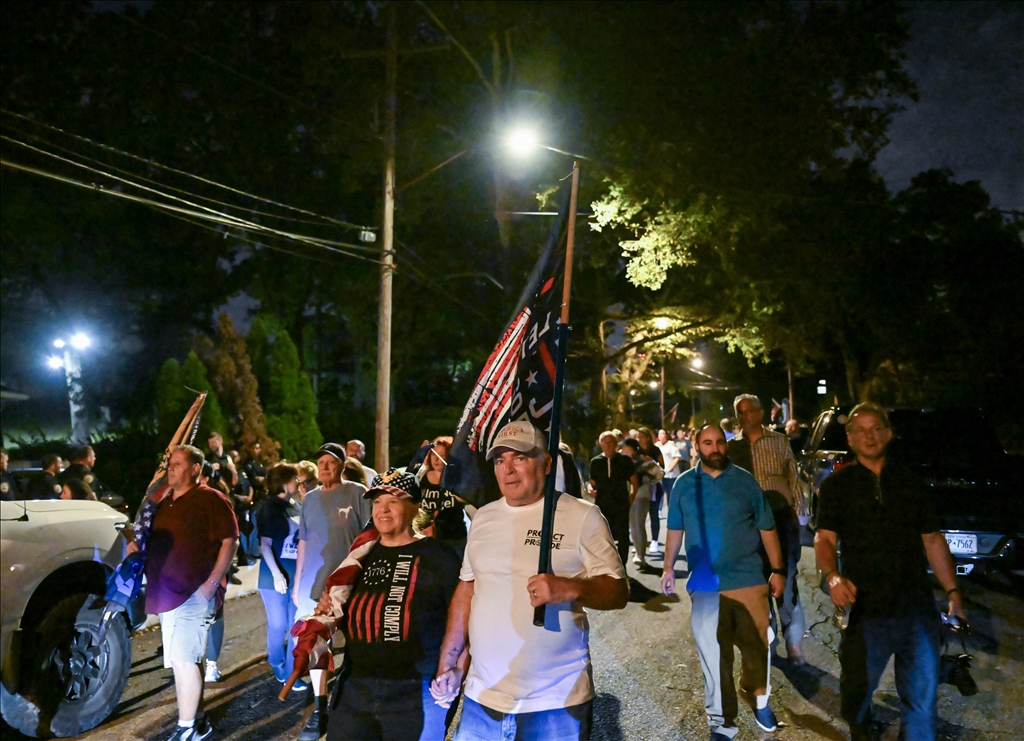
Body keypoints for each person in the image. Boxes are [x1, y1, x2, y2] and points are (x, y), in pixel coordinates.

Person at [431, 420, 628, 740]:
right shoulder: (482, 517)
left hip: (555, 704)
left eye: (519, 458)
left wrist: (570, 588)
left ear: (547, 463)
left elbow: (617, 591)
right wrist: (449, 663)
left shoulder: (582, 516)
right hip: (483, 700)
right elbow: (467, 589)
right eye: (499, 460)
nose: (507, 469)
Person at [815, 402, 966, 741]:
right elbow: (824, 539)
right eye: (861, 430)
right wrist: (833, 576)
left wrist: (953, 593)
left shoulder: (910, 482)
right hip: (866, 610)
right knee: (856, 694)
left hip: (916, 608)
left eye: (877, 428)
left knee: (922, 703)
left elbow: (933, 541)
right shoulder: (838, 486)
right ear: (850, 438)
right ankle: (862, 730)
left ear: (889, 433)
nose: (870, 436)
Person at [661, 424, 786, 739]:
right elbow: (675, 529)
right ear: (697, 446)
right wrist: (667, 568)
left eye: (720, 442)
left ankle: (757, 697)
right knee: (715, 659)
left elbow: (767, 528)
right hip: (705, 585)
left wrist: (778, 569)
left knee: (759, 650)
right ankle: (721, 723)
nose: (714, 447)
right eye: (707, 442)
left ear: (726, 445)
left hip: (749, 581)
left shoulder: (745, 481)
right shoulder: (684, 485)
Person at [324, 469, 461, 741]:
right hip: (357, 684)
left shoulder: (439, 556)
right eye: (377, 502)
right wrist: (329, 606)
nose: (382, 510)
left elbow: (463, 619)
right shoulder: (360, 555)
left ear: (414, 507)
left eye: (393, 501)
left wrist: (457, 668)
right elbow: (339, 603)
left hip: (417, 687)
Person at [138, 445, 238, 741]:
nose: (171, 468)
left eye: (178, 464)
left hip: (193, 592)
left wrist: (210, 584)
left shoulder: (210, 499)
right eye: (170, 462)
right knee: (186, 661)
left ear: (195, 469)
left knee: (184, 661)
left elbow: (229, 541)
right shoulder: (165, 500)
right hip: (167, 592)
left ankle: (187, 730)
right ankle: (196, 720)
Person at [293, 443, 372, 741]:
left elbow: (370, 534)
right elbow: (304, 540)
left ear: (342, 465)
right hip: (316, 585)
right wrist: (299, 581)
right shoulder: (310, 499)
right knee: (315, 644)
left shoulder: (357, 492)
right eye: (321, 462)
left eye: (331, 462)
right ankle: (320, 707)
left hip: (352, 583)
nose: (325, 467)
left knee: (355, 643)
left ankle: (354, 699)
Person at [728, 393, 808, 664]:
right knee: (758, 584)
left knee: (786, 581)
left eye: (750, 410)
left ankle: (794, 642)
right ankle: (767, 641)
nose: (745, 416)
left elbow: (794, 479)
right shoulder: (732, 449)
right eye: (740, 412)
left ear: (761, 413)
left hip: (781, 521)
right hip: (748, 526)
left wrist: (800, 515)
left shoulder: (779, 441)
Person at [254, 462, 306, 692]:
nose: (299, 482)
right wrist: (276, 574)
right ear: (284, 482)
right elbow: (264, 544)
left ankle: (292, 673)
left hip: (296, 576)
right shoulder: (270, 508)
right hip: (273, 576)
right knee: (278, 624)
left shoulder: (297, 505)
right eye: (295, 478)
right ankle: (276, 661)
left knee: (296, 625)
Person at [587, 431, 637, 566]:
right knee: (603, 535)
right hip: (603, 504)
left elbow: (634, 481)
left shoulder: (625, 460)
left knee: (622, 536)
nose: (608, 445)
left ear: (616, 444)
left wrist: (631, 497)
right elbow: (591, 482)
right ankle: (607, 565)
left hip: (620, 503)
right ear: (600, 444)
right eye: (605, 442)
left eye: (611, 442)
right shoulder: (595, 462)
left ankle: (622, 566)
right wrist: (590, 489)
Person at [417, 436, 471, 558]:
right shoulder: (422, 478)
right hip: (427, 537)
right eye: (433, 454)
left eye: (441, 454)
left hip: (454, 537)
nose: (436, 459)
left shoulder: (457, 478)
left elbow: (464, 498)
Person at [620, 437, 663, 570]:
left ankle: (640, 556)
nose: (622, 449)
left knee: (639, 524)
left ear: (631, 448)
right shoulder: (623, 461)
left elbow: (660, 473)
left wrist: (647, 481)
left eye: (624, 447)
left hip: (641, 495)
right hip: (628, 496)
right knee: (633, 525)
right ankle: (639, 552)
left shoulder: (644, 460)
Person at [636, 427, 666, 556]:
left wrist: (649, 460)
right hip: (640, 487)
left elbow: (662, 466)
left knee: (653, 513)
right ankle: (640, 542)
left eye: (640, 436)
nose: (638, 439)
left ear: (647, 438)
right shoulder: (636, 451)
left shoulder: (654, 450)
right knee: (639, 516)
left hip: (654, 486)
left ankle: (654, 541)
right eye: (637, 437)